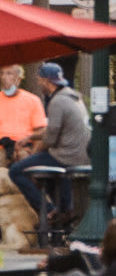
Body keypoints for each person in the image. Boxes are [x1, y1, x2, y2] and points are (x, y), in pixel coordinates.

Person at [12, 62, 91, 232]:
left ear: (46, 81)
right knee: (42, 169)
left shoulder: (57, 102)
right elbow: (56, 128)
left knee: (16, 171)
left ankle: (50, 211)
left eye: (40, 80)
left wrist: (33, 152)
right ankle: (63, 211)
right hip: (80, 154)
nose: (39, 84)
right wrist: (30, 137)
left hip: (65, 156)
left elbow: (50, 138)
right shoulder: (73, 97)